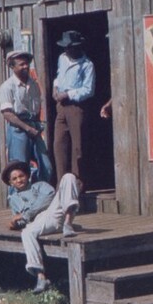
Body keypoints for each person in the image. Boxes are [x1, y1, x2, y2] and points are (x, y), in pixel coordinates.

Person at [4, 160, 80, 294]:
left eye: (21, 176)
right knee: (26, 233)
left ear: (27, 176)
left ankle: (68, 223)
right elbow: (21, 221)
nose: (19, 180)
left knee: (69, 177)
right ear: (11, 183)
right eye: (14, 179)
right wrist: (14, 224)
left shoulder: (41, 186)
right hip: (40, 223)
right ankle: (41, 277)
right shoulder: (14, 199)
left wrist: (26, 214)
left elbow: (48, 199)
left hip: (55, 213)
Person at [0, 50, 53, 185]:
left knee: (46, 166)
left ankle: (39, 192)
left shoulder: (33, 84)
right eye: (21, 64)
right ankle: (17, 196)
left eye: (27, 63)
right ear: (12, 66)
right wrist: (27, 128)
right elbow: (7, 114)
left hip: (33, 126)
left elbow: (37, 108)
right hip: (18, 129)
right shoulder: (7, 87)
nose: (25, 66)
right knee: (18, 169)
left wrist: (36, 126)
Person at [52, 30, 96, 190]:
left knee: (77, 147)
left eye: (69, 47)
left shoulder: (87, 65)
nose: (66, 50)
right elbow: (58, 75)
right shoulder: (62, 58)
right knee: (59, 144)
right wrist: (55, 88)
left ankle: (78, 183)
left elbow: (88, 90)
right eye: (65, 47)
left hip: (76, 106)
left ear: (77, 47)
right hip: (61, 106)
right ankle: (61, 183)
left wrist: (68, 94)